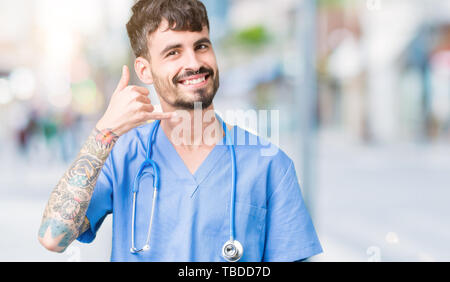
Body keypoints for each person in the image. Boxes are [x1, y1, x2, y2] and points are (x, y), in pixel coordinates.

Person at [38, 0, 322, 262]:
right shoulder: (122, 155)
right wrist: (104, 132)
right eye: (173, 52)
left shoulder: (270, 165)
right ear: (145, 70)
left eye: (201, 46)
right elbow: (53, 237)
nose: (194, 63)